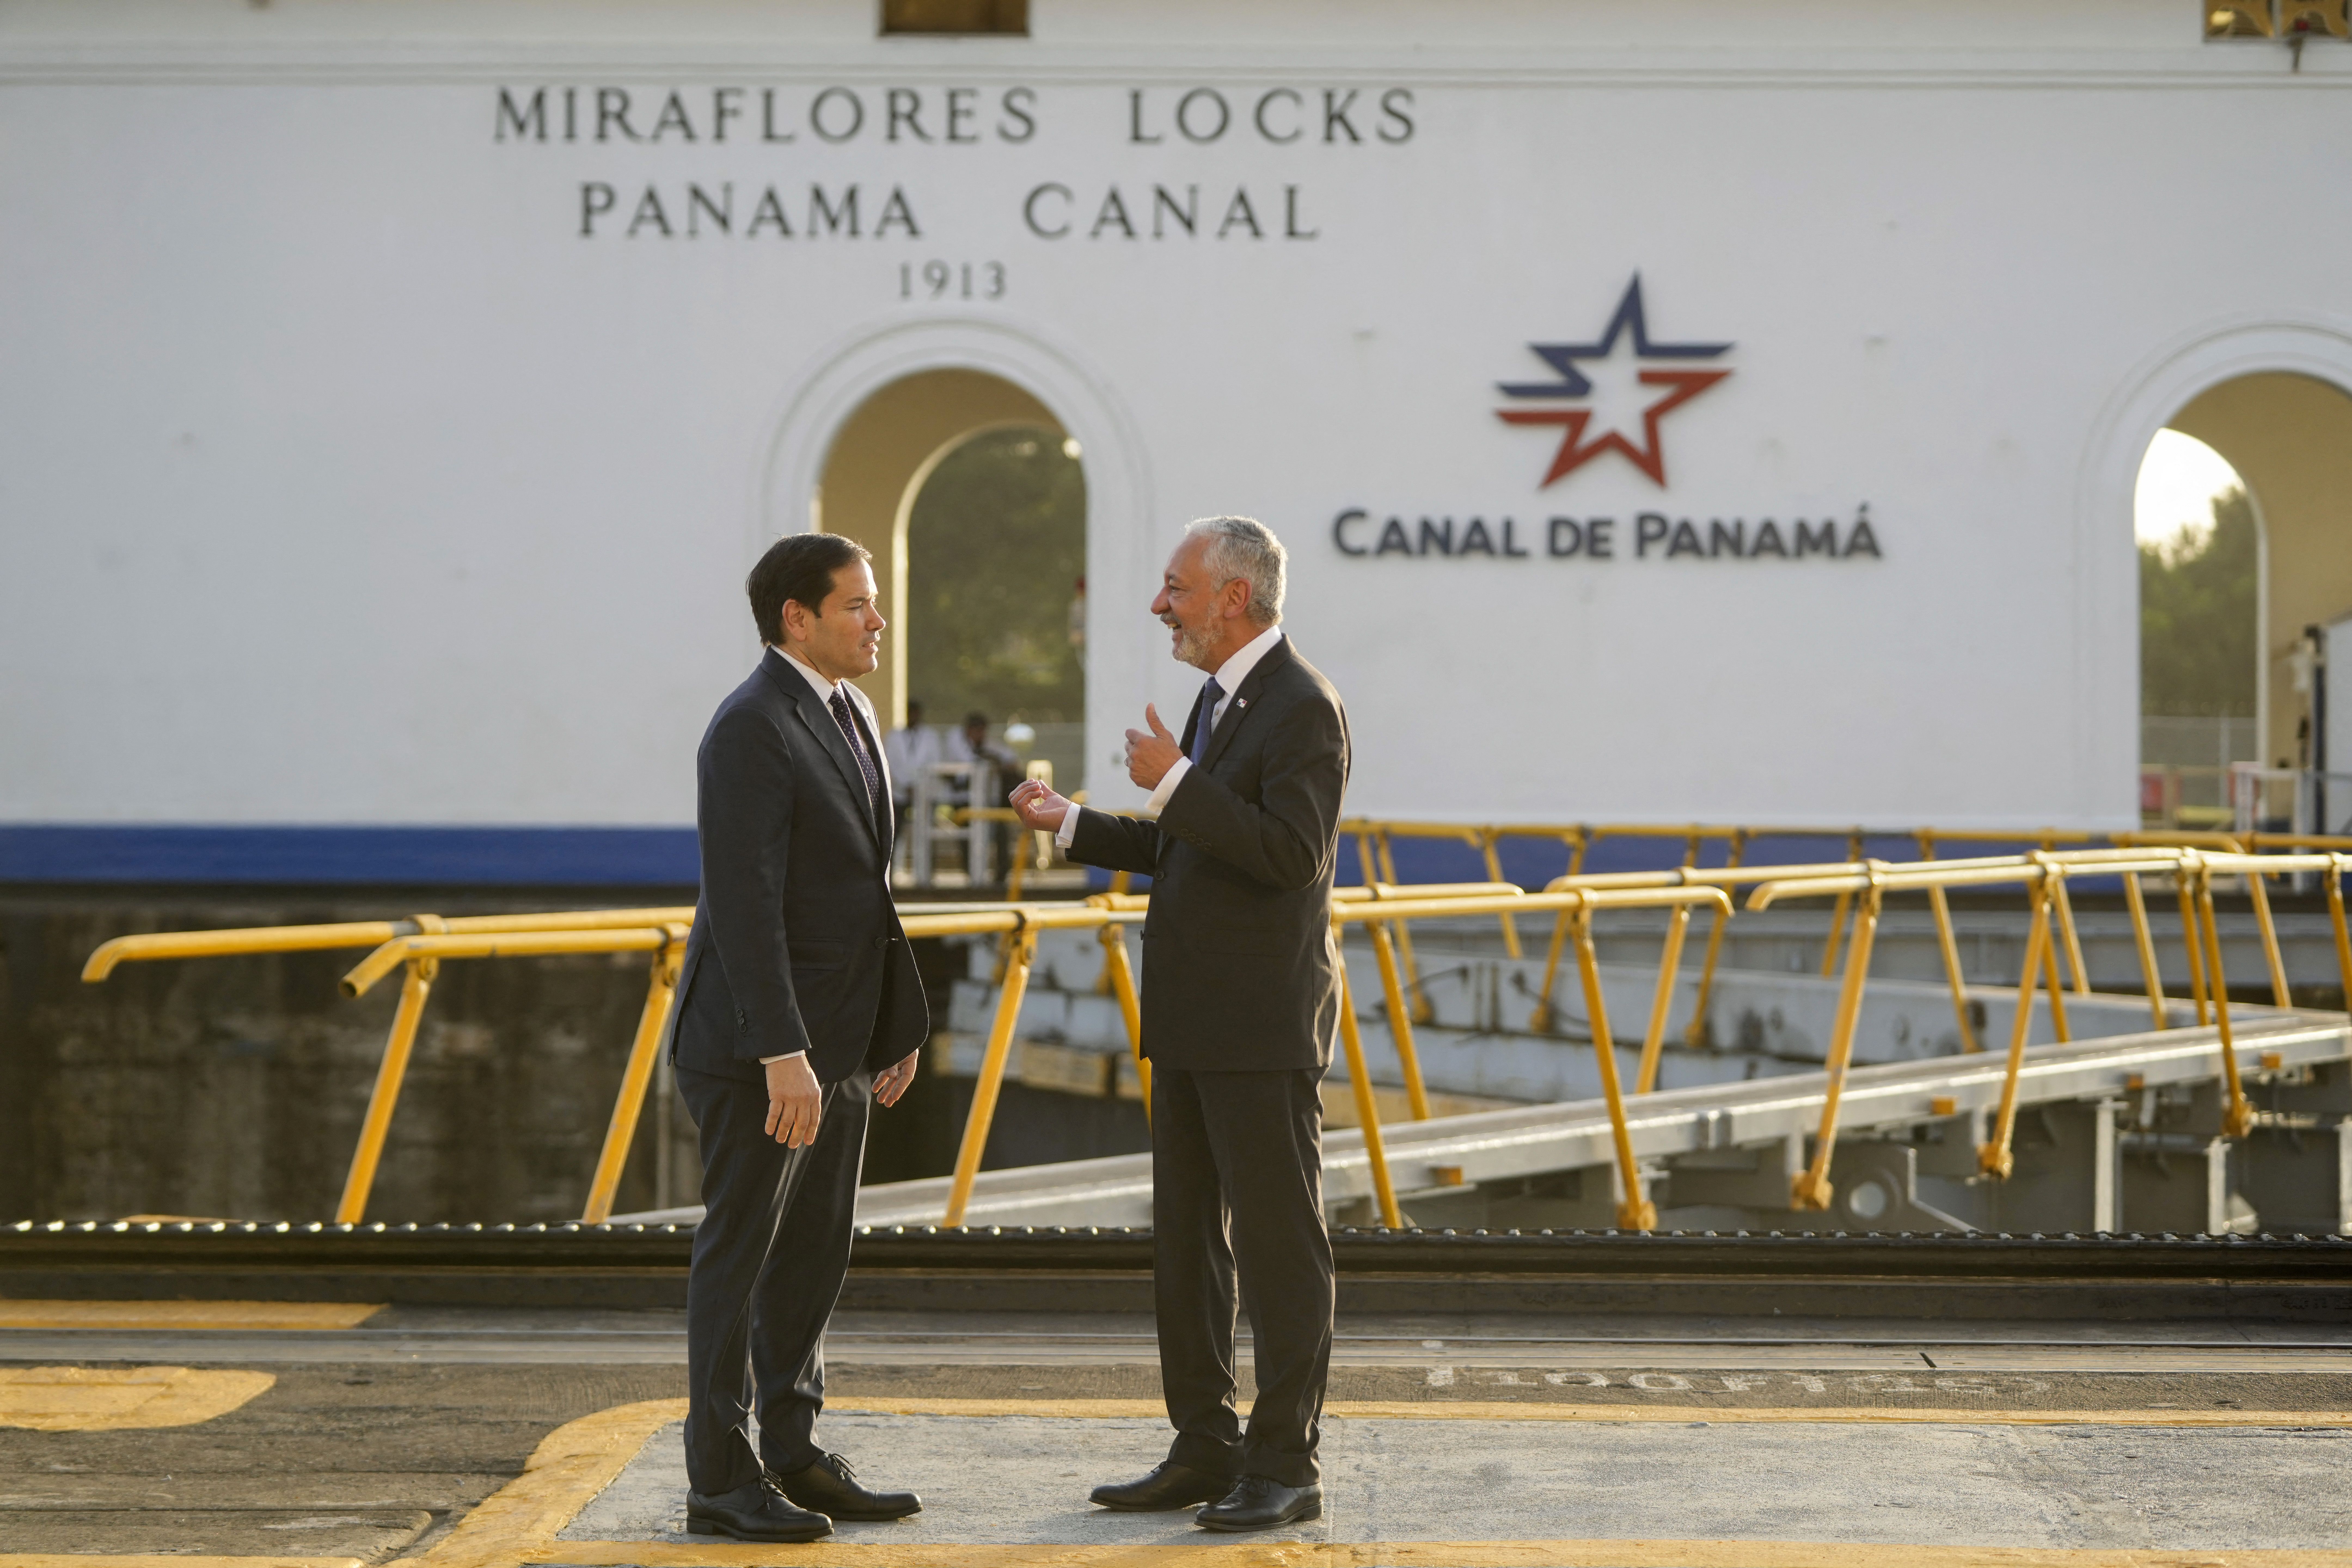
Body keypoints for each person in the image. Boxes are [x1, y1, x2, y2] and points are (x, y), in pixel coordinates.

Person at [1009, 516, 1349, 1534]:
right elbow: (1194, 847)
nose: (1159, 605)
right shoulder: (1220, 700)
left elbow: (1290, 854)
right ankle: (1205, 1442)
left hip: (1259, 1025)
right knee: (1188, 1243)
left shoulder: (1302, 707)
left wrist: (1174, 780)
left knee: (1281, 1248)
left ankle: (1285, 1462)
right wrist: (1072, 821)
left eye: (1175, 588)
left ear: (1233, 597)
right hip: (1196, 1022)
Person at [670, 532, 930, 1543]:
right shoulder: (750, 728)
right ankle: (720, 1477)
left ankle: (792, 1449)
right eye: (858, 604)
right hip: (757, 1052)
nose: (877, 621)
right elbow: (745, 905)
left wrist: (887, 1027)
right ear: (797, 617)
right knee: (741, 1256)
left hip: (842, 1045)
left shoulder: (851, 710)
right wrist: (784, 1050)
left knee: (812, 1252)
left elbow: (866, 891)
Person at [882, 697, 945, 849]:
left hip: (924, 791)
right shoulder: (894, 736)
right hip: (899, 793)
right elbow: (890, 763)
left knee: (927, 835)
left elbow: (934, 764)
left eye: (916, 714)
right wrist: (906, 785)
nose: (913, 717)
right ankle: (891, 870)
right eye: (910, 713)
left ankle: (927, 871)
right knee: (894, 834)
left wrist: (919, 787)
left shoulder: (931, 737)